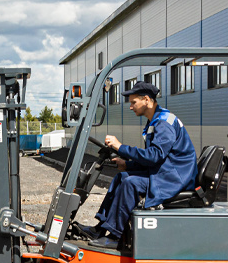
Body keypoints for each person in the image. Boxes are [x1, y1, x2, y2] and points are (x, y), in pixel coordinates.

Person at [81, 81, 198, 249]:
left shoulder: (164, 123)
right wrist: (127, 165)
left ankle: (115, 236)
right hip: (166, 172)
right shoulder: (156, 120)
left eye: (133, 102)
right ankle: (100, 228)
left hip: (175, 178)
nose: (131, 107)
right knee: (122, 177)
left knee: (131, 183)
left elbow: (155, 156)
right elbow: (156, 159)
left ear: (147, 100)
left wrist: (120, 147)